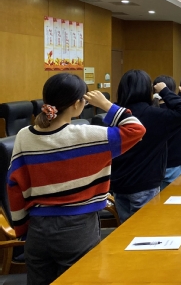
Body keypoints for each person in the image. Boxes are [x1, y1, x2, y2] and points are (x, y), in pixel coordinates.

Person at [8, 73, 146, 284]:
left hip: (38, 229)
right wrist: (107, 104)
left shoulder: (24, 135)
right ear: (76, 104)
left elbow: (14, 185)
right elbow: (136, 129)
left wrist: (22, 229)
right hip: (78, 227)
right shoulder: (90, 135)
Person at [111, 69, 181, 222]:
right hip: (145, 183)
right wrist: (165, 91)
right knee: (144, 229)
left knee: (125, 229)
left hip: (118, 182)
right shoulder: (156, 115)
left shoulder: (115, 114)